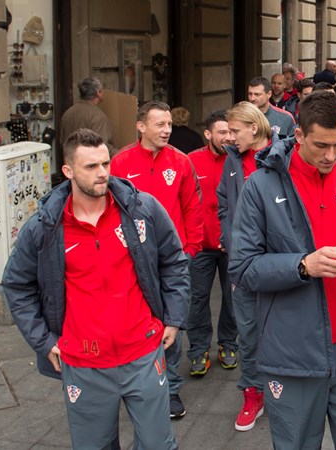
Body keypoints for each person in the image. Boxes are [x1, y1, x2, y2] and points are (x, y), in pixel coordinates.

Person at [3, 128, 189, 449]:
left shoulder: (140, 208)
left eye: (105, 163)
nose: (102, 173)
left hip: (143, 352)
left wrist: (174, 318)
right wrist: (43, 341)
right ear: (68, 171)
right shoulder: (45, 227)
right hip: (83, 362)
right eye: (91, 167)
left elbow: (174, 260)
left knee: (159, 444)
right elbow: (16, 285)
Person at [228, 91, 336, 449]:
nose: (331, 155)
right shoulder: (260, 185)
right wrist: (302, 266)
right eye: (321, 145)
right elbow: (242, 268)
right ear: (298, 135)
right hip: (292, 354)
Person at [110, 100, 204, 419]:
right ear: (141, 126)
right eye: (160, 125)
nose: (167, 130)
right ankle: (136, 383)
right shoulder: (121, 162)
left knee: (171, 323)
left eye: (168, 124)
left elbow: (192, 205)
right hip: (132, 259)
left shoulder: (180, 161)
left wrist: (190, 248)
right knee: (133, 320)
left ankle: (171, 388)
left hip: (171, 259)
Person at [217, 101, 280, 432]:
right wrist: (229, 238)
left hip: (276, 267)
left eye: (234, 131)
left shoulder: (280, 158)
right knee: (248, 333)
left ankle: (283, 389)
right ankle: (253, 392)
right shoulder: (231, 162)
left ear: (253, 129)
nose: (229, 137)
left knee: (282, 330)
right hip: (240, 267)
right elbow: (223, 204)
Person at [186, 110, 237, 376]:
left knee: (232, 299)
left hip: (233, 246)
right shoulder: (191, 162)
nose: (228, 137)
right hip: (201, 247)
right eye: (222, 132)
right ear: (208, 134)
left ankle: (228, 344)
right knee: (197, 299)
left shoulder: (239, 161)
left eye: (231, 132)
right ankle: (198, 349)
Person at [60, 77, 115, 155]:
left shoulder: (67, 113)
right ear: (98, 93)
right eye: (102, 90)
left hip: (72, 162)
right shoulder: (97, 116)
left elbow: (62, 143)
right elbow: (101, 147)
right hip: (90, 163)